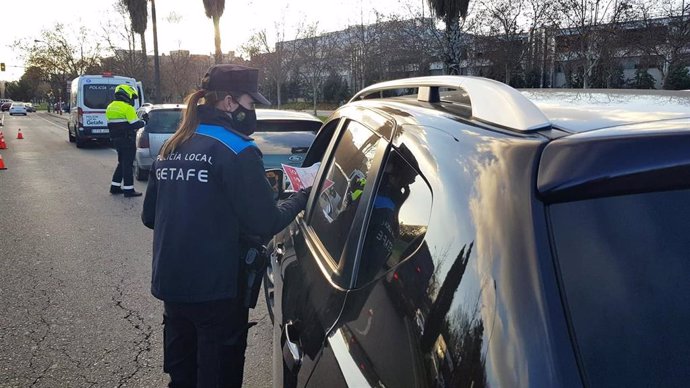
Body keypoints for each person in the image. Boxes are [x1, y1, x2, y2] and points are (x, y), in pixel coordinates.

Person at [141, 64, 310, 387]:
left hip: (172, 286)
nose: (253, 111)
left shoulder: (173, 146)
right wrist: (303, 197)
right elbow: (266, 222)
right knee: (219, 376)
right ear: (230, 103)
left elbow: (150, 217)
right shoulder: (238, 150)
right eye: (251, 103)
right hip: (217, 291)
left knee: (182, 377)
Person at [106, 84, 145, 197]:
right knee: (128, 164)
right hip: (127, 140)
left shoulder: (110, 107)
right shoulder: (127, 108)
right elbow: (135, 124)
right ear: (126, 95)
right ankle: (129, 189)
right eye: (132, 97)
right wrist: (144, 121)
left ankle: (115, 186)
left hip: (116, 140)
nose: (132, 99)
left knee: (121, 162)